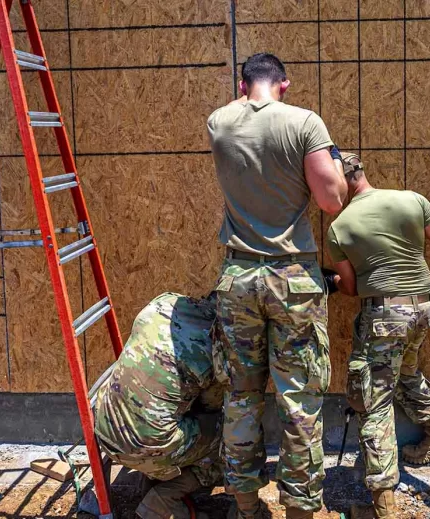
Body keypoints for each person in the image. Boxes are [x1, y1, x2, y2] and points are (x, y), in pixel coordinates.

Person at [206, 52, 347, 519]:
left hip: (238, 278)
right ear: (284, 84)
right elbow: (331, 200)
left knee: (241, 397)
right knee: (299, 401)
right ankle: (302, 510)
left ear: (243, 84)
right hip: (292, 281)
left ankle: (245, 505)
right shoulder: (305, 123)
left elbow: (240, 109)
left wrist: (246, 98)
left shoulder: (219, 123)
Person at [324, 153, 430, 518]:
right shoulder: (410, 199)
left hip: (385, 318)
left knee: (375, 402)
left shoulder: (339, 227)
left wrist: (331, 282)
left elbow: (351, 289)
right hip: (422, 310)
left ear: (340, 180)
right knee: (406, 372)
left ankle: (383, 503)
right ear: (363, 173)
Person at [90, 292, 223, 519]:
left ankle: (151, 478)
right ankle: (164, 497)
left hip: (104, 434)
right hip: (149, 449)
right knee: (233, 437)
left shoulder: (163, 302)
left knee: (164, 413)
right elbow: (210, 409)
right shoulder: (217, 347)